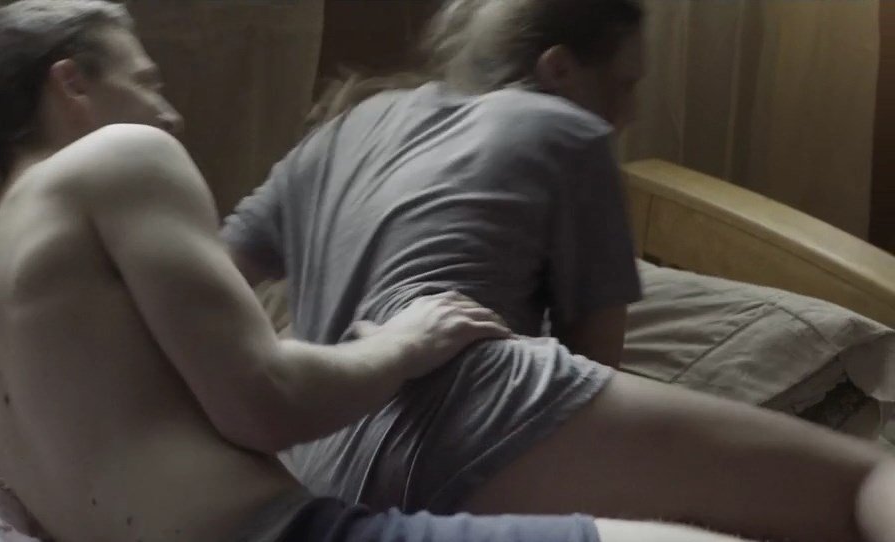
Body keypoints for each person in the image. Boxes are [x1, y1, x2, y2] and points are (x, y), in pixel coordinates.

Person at [0, 1, 781, 540]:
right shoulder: (123, 156)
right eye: (147, 82)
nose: (170, 112)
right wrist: (406, 343)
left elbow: (212, 288)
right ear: (71, 85)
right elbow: (266, 402)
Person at [223, 0, 895, 541]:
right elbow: (594, 362)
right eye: (624, 85)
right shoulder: (565, 128)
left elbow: (217, 274)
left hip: (320, 457)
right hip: (469, 403)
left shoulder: (345, 129)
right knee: (867, 479)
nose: (629, 113)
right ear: (559, 68)